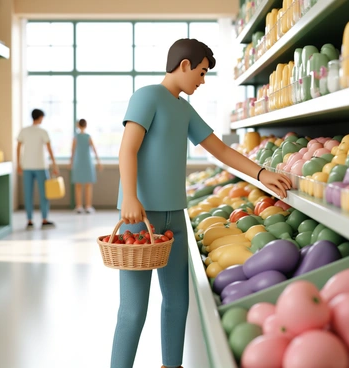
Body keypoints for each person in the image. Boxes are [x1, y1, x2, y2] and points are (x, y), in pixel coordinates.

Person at [111, 38, 292, 368]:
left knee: (178, 300)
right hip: (139, 217)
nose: (202, 80)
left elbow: (221, 151)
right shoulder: (147, 96)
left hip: (175, 216)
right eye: (202, 71)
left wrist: (261, 173)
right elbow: (127, 149)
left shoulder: (183, 108)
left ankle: (172, 365)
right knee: (134, 308)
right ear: (184, 66)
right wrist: (130, 197)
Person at [17, 109, 59, 230]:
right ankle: (44, 219)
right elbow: (50, 149)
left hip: (27, 167)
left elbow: (18, 147)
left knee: (28, 194)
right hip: (41, 166)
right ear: (40, 117)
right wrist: (55, 164)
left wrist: (19, 164)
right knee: (44, 194)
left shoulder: (24, 131)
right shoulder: (43, 131)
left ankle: (29, 220)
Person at [69, 118, 102, 214]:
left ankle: (79, 206)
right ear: (86, 125)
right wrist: (99, 161)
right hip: (87, 162)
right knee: (88, 185)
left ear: (78, 125)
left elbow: (72, 151)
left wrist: (70, 162)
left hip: (78, 162)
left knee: (78, 185)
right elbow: (94, 150)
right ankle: (88, 206)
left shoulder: (76, 137)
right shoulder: (88, 136)